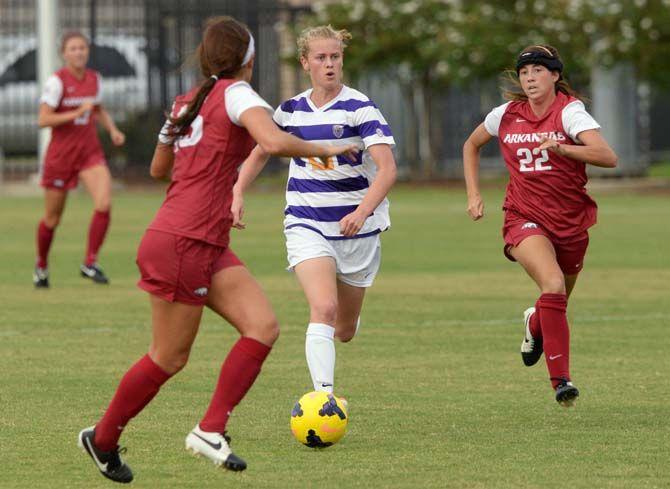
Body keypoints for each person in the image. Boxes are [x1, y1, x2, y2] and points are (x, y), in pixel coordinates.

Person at [77, 17, 358, 484]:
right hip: (185, 240)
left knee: (262, 328)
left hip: (199, 238)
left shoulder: (189, 100)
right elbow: (270, 141)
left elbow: (157, 168)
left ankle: (210, 429)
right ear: (247, 58)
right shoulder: (236, 93)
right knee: (168, 357)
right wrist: (332, 146)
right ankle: (104, 437)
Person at [232, 25, 397, 403]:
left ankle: (346, 326)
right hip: (306, 221)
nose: (329, 64)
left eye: (335, 57)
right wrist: (238, 191)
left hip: (358, 230)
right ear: (305, 62)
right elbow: (260, 152)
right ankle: (324, 399)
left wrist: (362, 210)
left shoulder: (361, 108)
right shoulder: (290, 110)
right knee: (322, 306)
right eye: (321, 58)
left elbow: (387, 169)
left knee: (344, 329)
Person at [463, 45, 618, 407]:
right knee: (552, 284)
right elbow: (471, 145)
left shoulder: (570, 113)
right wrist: (473, 194)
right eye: (524, 72)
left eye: (537, 70)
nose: (530, 78)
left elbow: (608, 157)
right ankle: (561, 381)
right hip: (523, 215)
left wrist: (565, 149)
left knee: (558, 295)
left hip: (570, 220)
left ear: (554, 76)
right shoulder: (506, 114)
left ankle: (535, 322)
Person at [35, 31, 125, 287]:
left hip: (89, 153)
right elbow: (43, 119)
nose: (79, 52)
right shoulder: (56, 82)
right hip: (61, 157)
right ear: (64, 54)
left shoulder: (94, 79)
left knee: (104, 203)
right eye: (73, 49)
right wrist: (75, 112)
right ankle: (41, 266)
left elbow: (98, 109)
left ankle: (90, 262)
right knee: (52, 219)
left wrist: (113, 130)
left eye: (82, 48)